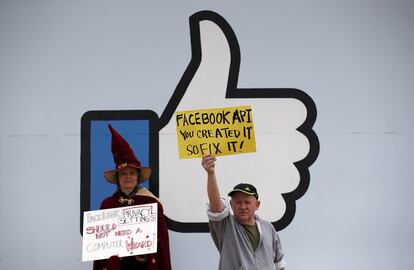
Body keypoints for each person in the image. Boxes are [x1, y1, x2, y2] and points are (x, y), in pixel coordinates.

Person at [93, 125, 172, 270]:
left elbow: (161, 246)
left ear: (138, 177)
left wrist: (144, 253)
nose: (128, 177)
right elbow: (101, 247)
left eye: (132, 173)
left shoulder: (150, 204)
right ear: (118, 178)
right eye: (123, 173)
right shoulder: (108, 205)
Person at [201, 154, 286, 270]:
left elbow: (279, 263)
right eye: (238, 202)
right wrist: (211, 173)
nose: (243, 206)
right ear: (231, 205)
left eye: (247, 202)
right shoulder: (226, 226)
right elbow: (215, 207)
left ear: (257, 205)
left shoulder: (268, 228)